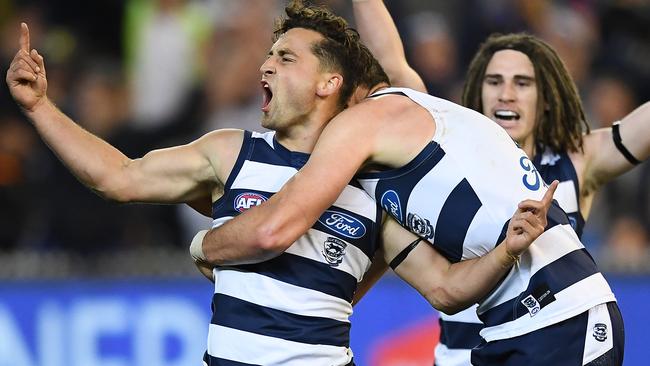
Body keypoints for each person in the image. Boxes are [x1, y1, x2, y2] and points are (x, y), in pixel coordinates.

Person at [6, 1, 552, 365]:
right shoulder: (228, 152)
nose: (265, 66)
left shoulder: (376, 189)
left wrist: (509, 249)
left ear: (328, 83)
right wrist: (39, 107)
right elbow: (117, 177)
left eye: (285, 57)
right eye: (268, 54)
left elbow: (446, 289)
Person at [189, 3, 628, 365]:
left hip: (561, 316)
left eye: (290, 62)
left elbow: (276, 226)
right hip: (512, 325)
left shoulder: (367, 121)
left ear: (335, 84)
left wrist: (205, 247)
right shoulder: (408, 112)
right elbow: (443, 291)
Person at [350, 1, 650, 364]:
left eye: (522, 83)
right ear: (476, 91)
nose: (506, 93)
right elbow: (394, 70)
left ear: (547, 97)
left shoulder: (578, 158)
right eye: (494, 81)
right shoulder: (445, 149)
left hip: (544, 340)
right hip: (460, 354)